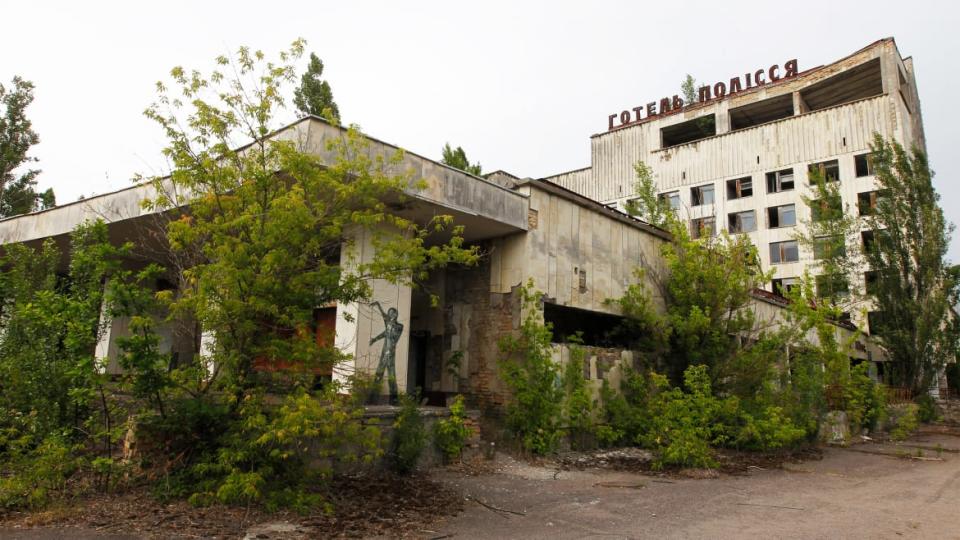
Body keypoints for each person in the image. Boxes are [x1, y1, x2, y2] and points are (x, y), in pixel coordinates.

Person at [370, 301, 403, 401]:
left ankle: (394, 398)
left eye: (391, 314)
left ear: (395, 315)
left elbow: (394, 339)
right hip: (384, 352)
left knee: (391, 375)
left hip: (390, 352)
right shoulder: (388, 325)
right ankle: (373, 397)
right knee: (379, 373)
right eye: (388, 314)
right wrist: (374, 339)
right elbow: (385, 333)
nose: (388, 316)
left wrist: (390, 351)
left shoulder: (399, 326)